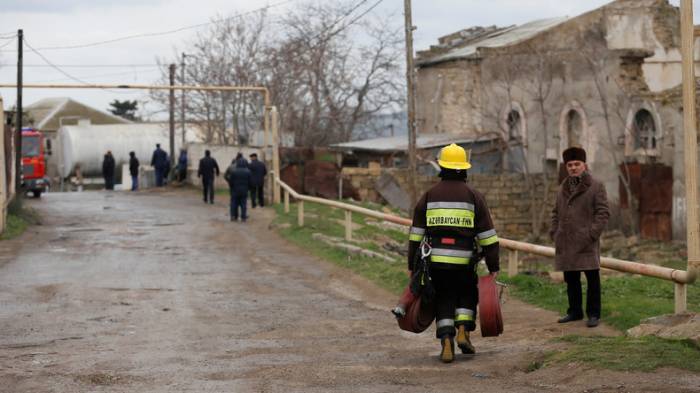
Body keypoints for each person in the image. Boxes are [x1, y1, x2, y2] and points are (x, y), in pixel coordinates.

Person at [405, 143, 500, 363]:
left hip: (436, 261)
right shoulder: (473, 195)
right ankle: (463, 331)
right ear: (464, 168)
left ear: (442, 167)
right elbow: (488, 236)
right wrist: (493, 265)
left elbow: (415, 235)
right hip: (464, 261)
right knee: (467, 293)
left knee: (443, 298)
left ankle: (446, 340)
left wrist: (412, 264)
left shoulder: (429, 195)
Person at [551, 146, 610, 328]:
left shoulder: (596, 185)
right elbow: (555, 213)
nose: (573, 168)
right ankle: (574, 311)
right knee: (571, 279)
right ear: (566, 166)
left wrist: (591, 234)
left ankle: (593, 314)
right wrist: (555, 232)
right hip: (566, 241)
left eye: (577, 164)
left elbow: (603, 212)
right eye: (570, 165)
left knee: (592, 279)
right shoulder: (562, 187)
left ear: (584, 164)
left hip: (586, 242)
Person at [224, 157, 252, 222]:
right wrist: (248, 189)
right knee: (243, 204)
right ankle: (243, 217)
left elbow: (231, 181)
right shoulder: (248, 172)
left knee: (233, 203)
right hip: (244, 190)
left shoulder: (234, 171)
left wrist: (232, 187)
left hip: (235, 190)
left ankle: (233, 216)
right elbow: (250, 182)